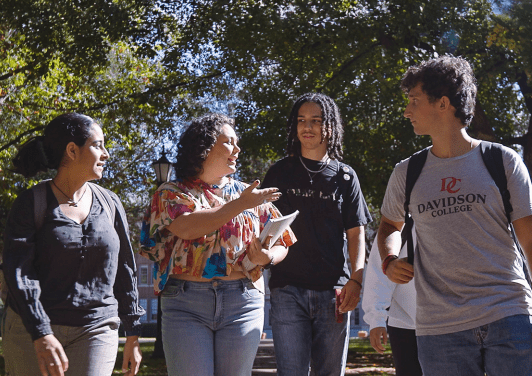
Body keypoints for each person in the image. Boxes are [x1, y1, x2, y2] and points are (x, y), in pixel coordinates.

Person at [378, 55, 532, 376]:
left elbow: (529, 238)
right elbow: (390, 225)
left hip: (508, 314)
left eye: (414, 101)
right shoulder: (406, 172)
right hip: (439, 328)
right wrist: (389, 260)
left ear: (443, 104)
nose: (407, 111)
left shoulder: (502, 161)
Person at [139, 113, 296, 376]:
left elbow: (283, 240)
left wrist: (267, 257)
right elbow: (187, 227)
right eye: (229, 142)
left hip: (243, 301)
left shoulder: (248, 194)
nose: (237, 149)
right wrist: (241, 205)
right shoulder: (171, 192)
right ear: (204, 147)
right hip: (185, 304)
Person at [1, 113, 145, 376]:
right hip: (31, 330)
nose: (106, 154)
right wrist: (41, 331)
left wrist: (133, 332)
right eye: (98, 145)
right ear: (72, 150)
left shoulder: (111, 203)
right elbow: (19, 273)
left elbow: (125, 268)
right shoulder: (30, 203)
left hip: (96, 328)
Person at [261, 92, 372, 376]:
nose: (307, 127)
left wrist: (356, 280)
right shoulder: (280, 172)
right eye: (301, 121)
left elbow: (357, 233)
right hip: (287, 290)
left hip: (334, 291)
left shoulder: (346, 177)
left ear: (330, 127)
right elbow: (264, 225)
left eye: (315, 121)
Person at [361, 228, 421, 376]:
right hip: (405, 322)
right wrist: (377, 318)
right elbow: (379, 269)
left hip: (451, 320)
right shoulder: (401, 216)